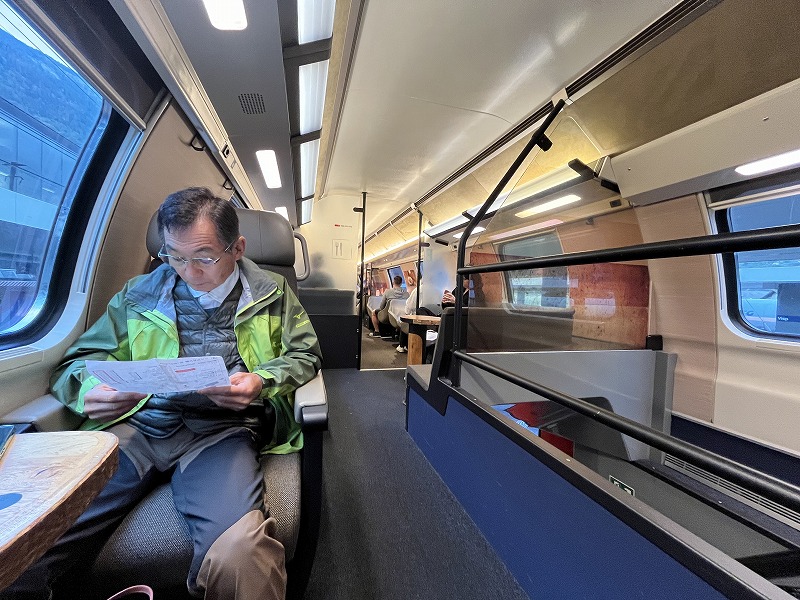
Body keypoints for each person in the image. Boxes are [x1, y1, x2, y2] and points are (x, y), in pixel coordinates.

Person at [1, 188, 322, 600]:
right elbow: (76, 363)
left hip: (222, 431)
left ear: (237, 248)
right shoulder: (138, 294)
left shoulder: (271, 292)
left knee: (240, 554)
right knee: (24, 544)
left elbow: (305, 354)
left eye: (204, 257)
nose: (188, 271)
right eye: (175, 256)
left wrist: (261, 380)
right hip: (138, 427)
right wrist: (90, 391)